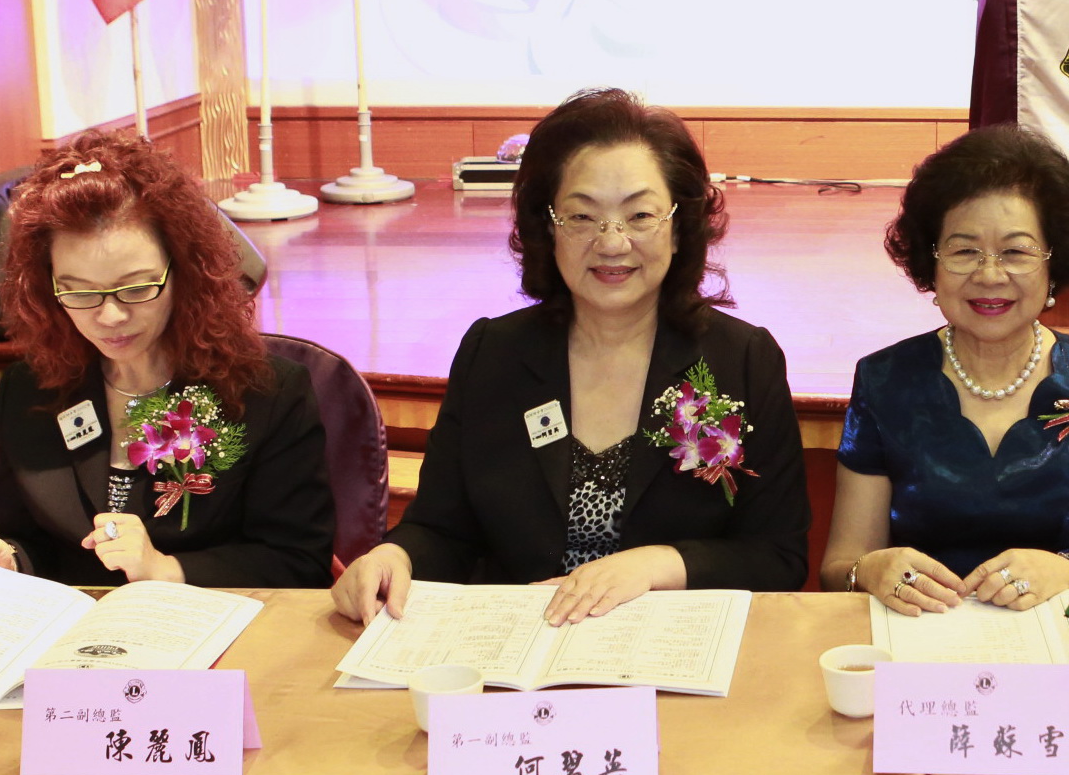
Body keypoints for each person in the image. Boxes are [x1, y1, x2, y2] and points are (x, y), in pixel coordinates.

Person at [331, 89, 808, 626]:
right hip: (518, 645)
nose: (612, 243)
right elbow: (443, 529)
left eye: (640, 215)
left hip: (667, 645)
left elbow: (778, 557)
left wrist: (654, 565)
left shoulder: (742, 360)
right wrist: (395, 556)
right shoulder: (494, 353)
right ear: (547, 226)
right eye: (582, 216)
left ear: (679, 226)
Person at [0, 128, 334, 587]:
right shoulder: (29, 390)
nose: (110, 316)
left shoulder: (266, 393)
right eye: (80, 292)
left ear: (186, 271)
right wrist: (9, 556)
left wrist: (165, 569)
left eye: (137, 287)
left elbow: (299, 563)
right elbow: (28, 537)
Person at [820, 128, 1069, 616]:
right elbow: (838, 568)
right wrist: (869, 570)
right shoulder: (884, 380)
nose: (990, 275)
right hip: (921, 632)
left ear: (1053, 264)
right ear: (931, 263)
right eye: (964, 251)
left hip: (1059, 637)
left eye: (1016, 252)